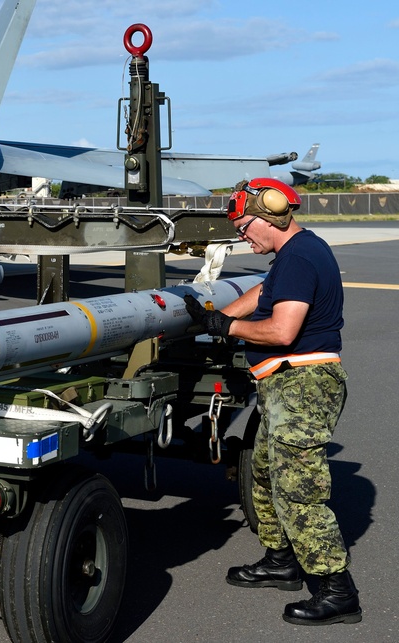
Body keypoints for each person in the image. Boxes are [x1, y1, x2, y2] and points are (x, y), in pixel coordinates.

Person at [183, 177, 361, 626]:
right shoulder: (294, 255)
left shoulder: (299, 257)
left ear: (269, 216)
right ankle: (281, 560)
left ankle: (337, 590)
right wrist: (218, 315)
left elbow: (282, 331)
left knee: (300, 491)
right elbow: (265, 293)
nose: (242, 234)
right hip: (285, 387)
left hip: (304, 385)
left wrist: (228, 330)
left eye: (245, 225)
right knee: (262, 473)